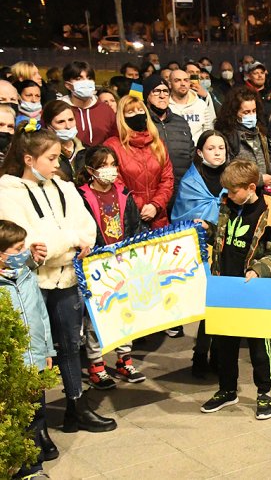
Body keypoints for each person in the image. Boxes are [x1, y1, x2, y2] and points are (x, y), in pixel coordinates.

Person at [0, 127, 116, 433]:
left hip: (67, 280)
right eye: (51, 158)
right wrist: (68, 241)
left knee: (69, 346)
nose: (57, 164)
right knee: (34, 355)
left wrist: (63, 242)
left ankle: (76, 408)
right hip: (31, 285)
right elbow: (29, 244)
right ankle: (35, 427)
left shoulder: (63, 187)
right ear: (28, 158)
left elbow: (87, 228)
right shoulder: (7, 192)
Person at [201, 159, 271, 419]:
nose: (228, 195)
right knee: (224, 344)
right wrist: (209, 230)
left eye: (233, 190)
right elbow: (225, 237)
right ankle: (227, 390)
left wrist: (258, 270)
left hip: (254, 289)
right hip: (226, 285)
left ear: (251, 187)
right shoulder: (228, 206)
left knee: (258, 347)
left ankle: (264, 393)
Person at [76, 146, 147, 386]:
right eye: (104, 165)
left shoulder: (124, 194)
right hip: (97, 266)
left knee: (125, 313)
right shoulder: (82, 197)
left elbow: (135, 226)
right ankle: (96, 364)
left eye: (113, 164)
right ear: (90, 170)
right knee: (97, 316)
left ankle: (124, 359)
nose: (110, 170)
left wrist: (135, 251)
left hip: (124, 263)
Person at [1, 219, 58, 477]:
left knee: (36, 415)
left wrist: (47, 350)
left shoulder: (25, 274)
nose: (25, 252)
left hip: (34, 359)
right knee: (14, 419)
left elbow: (41, 314)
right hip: (10, 368)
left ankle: (33, 468)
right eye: (18, 248)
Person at [171, 130, 228, 376]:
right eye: (211, 148)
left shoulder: (233, 178)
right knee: (208, 303)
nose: (217, 153)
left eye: (221, 148)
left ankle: (219, 355)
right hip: (201, 250)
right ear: (199, 152)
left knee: (223, 303)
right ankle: (200, 354)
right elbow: (180, 217)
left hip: (228, 248)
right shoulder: (190, 183)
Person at [104, 96, 174, 230]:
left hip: (158, 216)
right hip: (129, 217)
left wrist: (155, 204)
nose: (137, 115)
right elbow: (115, 183)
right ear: (122, 118)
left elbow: (168, 179)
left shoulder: (158, 143)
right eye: (130, 112)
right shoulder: (112, 146)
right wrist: (141, 205)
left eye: (140, 110)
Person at [143, 75, 194, 203]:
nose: (162, 95)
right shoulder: (142, 122)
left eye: (165, 91)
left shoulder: (180, 122)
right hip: (154, 193)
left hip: (182, 192)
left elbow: (191, 154)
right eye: (156, 91)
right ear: (147, 96)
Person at [215, 86, 271, 189]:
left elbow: (266, 162)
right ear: (234, 113)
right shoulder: (226, 136)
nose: (251, 115)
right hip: (238, 194)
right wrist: (260, 179)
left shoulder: (259, 133)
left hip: (259, 193)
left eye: (254, 111)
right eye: (246, 112)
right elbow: (228, 172)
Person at [61, 61, 117, 147]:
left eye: (89, 78)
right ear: (68, 85)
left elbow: (115, 140)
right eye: (79, 79)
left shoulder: (106, 110)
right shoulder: (57, 109)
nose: (86, 82)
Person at [169, 68, 217, 144]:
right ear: (169, 84)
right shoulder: (166, 106)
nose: (183, 83)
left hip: (197, 151)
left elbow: (208, 131)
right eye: (177, 80)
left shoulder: (200, 105)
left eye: (186, 80)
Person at [42, 100, 85, 184]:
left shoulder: (87, 151)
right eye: (61, 122)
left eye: (71, 120)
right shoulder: (43, 154)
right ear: (49, 127)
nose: (68, 126)